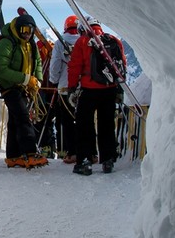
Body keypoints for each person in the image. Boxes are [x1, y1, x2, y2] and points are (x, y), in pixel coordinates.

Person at [66, 18, 126, 175]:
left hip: (89, 89)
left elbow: (74, 67)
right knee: (106, 124)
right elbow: (121, 65)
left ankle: (84, 161)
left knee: (84, 125)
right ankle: (108, 160)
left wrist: (72, 88)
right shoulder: (113, 40)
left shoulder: (83, 41)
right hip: (110, 89)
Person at [0, 14, 48, 169]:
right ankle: (30, 153)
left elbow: (37, 61)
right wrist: (26, 79)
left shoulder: (30, 44)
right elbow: (2, 70)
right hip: (9, 87)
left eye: (30, 30)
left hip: (23, 87)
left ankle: (13, 156)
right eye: (24, 30)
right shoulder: (6, 43)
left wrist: (36, 79)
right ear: (17, 29)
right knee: (23, 117)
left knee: (15, 119)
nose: (27, 33)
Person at [48, 15, 81, 164]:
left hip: (65, 86)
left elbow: (54, 65)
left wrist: (54, 80)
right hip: (84, 86)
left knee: (67, 121)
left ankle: (72, 152)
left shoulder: (60, 43)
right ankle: (89, 151)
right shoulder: (85, 40)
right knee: (83, 120)